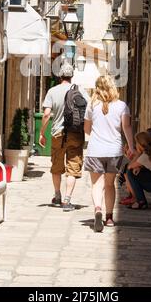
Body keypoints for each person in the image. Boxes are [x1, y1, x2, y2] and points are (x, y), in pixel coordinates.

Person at [84, 76, 134, 232]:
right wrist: (131, 147)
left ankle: (98, 209)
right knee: (109, 184)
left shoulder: (92, 105)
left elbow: (86, 129)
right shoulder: (122, 106)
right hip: (114, 151)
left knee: (97, 185)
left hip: (95, 150)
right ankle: (109, 217)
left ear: (97, 88)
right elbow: (127, 127)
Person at [40, 62, 88, 212]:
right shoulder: (80, 91)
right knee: (73, 167)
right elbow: (89, 110)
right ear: (72, 76)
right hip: (75, 133)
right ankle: (67, 200)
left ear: (60, 76)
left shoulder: (52, 91)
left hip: (57, 134)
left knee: (56, 166)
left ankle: (57, 196)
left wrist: (42, 132)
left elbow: (47, 114)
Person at [119, 127, 151, 205]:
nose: (136, 145)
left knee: (130, 172)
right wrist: (139, 166)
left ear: (140, 144)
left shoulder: (145, 156)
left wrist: (138, 153)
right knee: (131, 171)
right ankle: (133, 197)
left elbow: (130, 166)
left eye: (136, 143)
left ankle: (140, 200)